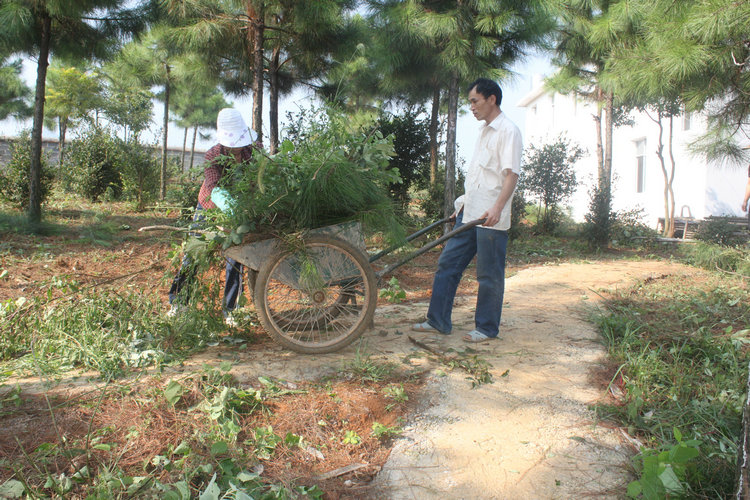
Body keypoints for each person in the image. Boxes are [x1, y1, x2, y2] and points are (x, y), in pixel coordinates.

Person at [413, 78, 522, 343]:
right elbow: (478, 176)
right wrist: (461, 205)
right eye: (470, 102)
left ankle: (486, 328)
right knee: (447, 264)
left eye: (475, 101)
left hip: (490, 217)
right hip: (469, 212)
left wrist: (497, 208)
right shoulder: (484, 131)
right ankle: (437, 320)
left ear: (491, 99)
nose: (471, 107)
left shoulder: (508, 130)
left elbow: (511, 175)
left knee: (488, 274)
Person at [168, 108, 259, 326]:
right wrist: (225, 211)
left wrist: (244, 210)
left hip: (242, 208)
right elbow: (213, 187)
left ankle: (231, 309)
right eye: (232, 144)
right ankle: (178, 303)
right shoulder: (213, 155)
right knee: (194, 252)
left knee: (236, 257)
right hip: (209, 207)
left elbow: (259, 178)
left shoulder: (254, 151)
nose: (236, 148)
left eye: (239, 143)